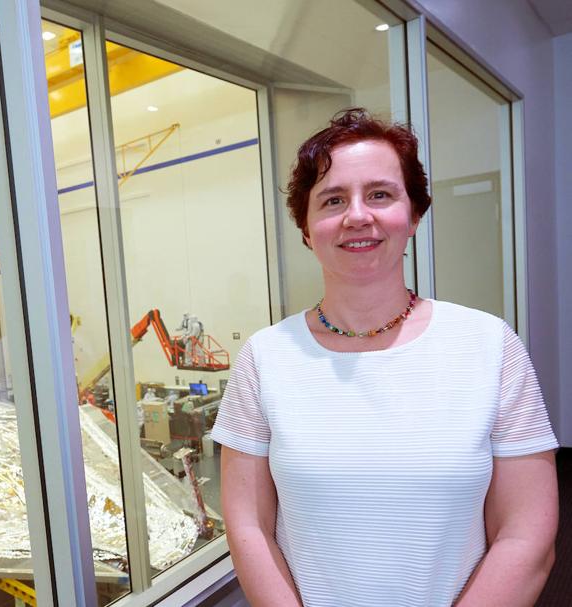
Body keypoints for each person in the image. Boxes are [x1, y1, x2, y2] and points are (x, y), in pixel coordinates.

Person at [212, 108, 558, 607]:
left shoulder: (489, 344)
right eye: (333, 200)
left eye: (379, 194)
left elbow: (526, 536)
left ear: (413, 215)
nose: (357, 216)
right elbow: (248, 527)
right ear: (306, 228)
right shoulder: (265, 357)